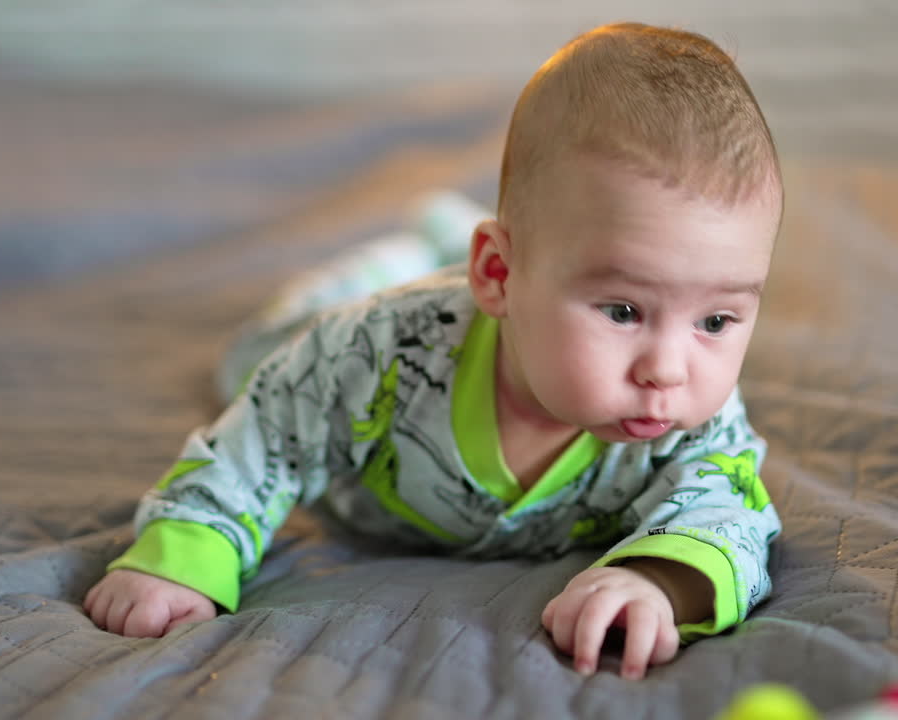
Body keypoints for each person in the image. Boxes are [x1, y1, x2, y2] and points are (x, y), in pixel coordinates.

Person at [84, 21, 785, 681]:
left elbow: (730, 515)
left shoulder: (693, 418)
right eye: (625, 311)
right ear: (500, 275)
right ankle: (407, 251)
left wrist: (659, 581)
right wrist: (185, 554)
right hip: (332, 334)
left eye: (718, 321)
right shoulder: (372, 350)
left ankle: (444, 238)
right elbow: (264, 438)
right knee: (249, 359)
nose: (667, 368)